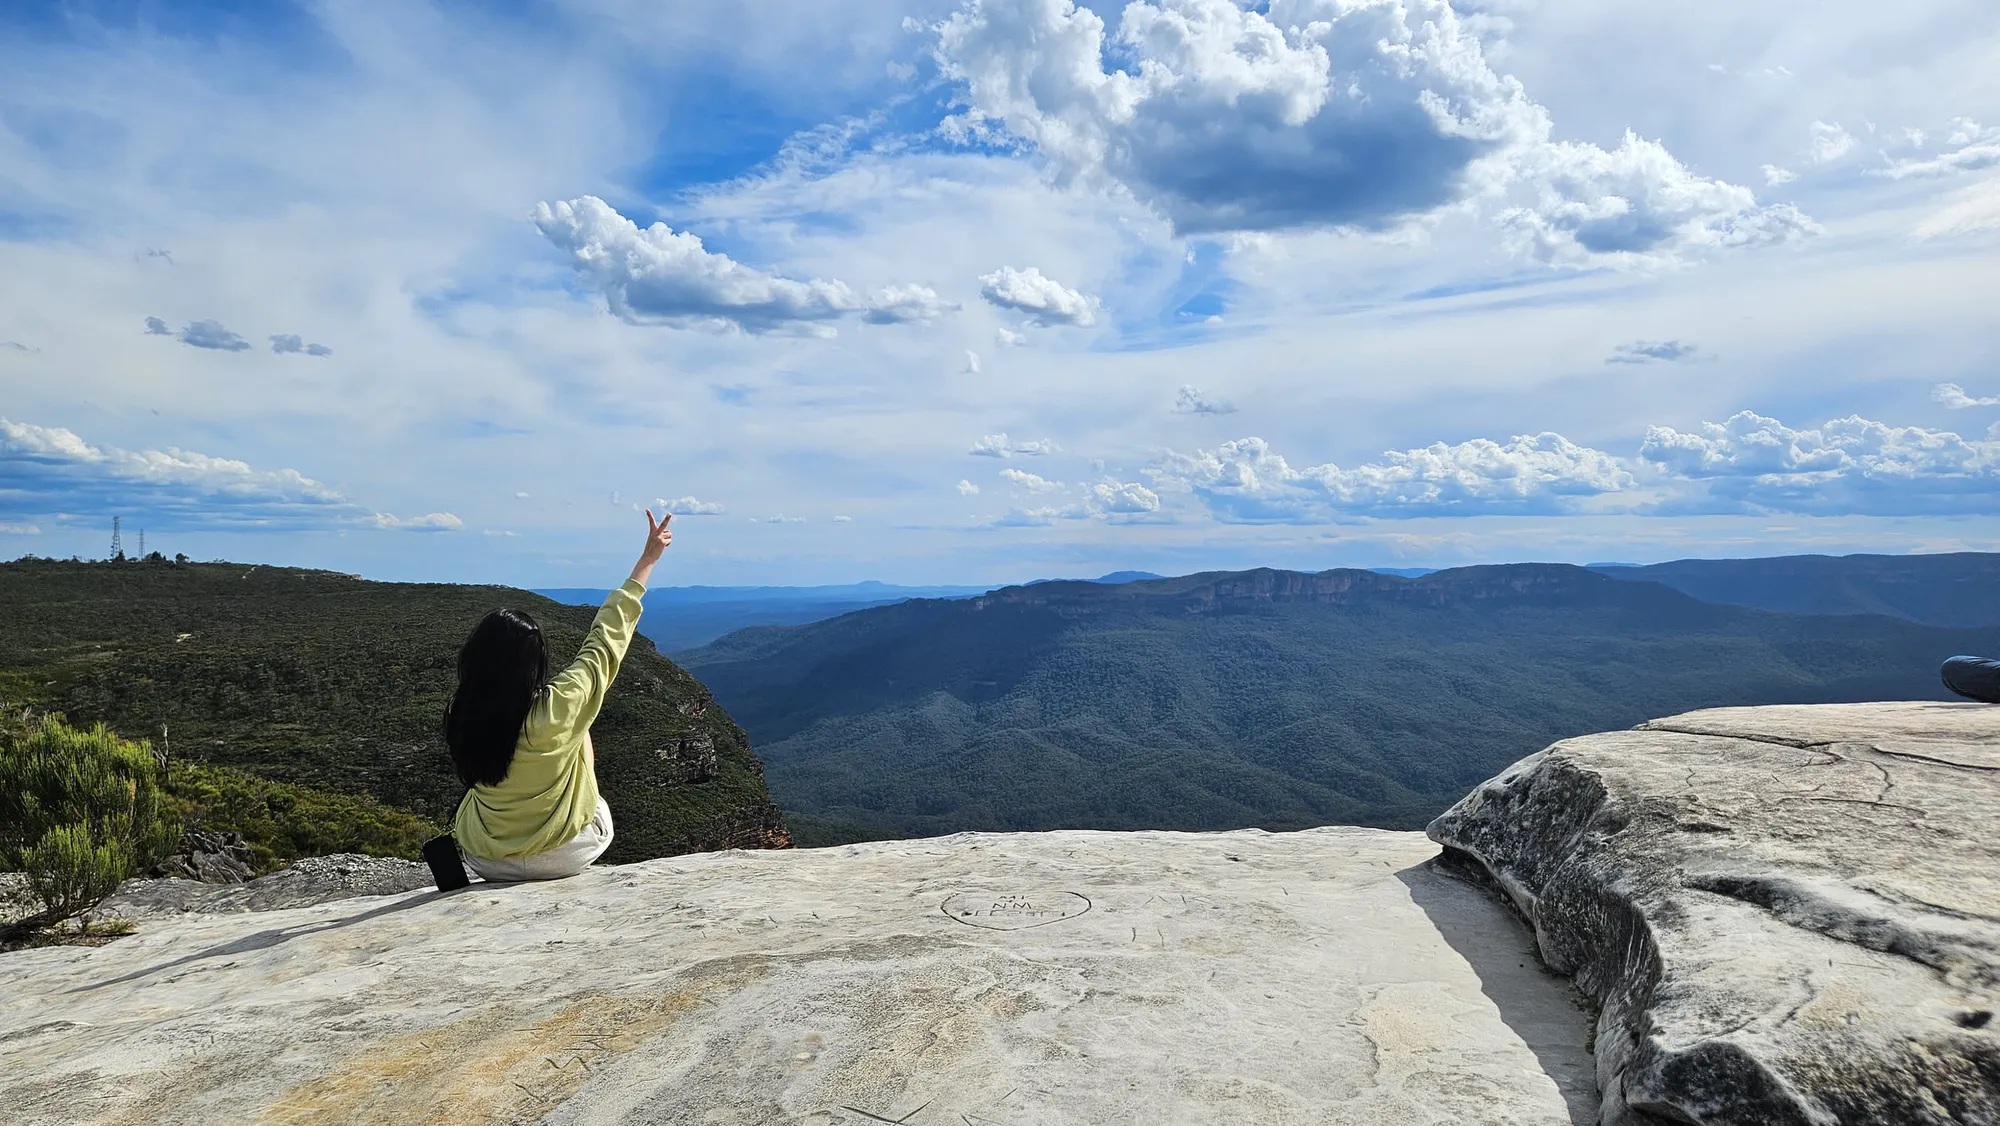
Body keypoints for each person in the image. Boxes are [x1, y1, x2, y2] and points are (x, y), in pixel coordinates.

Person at [443, 509, 672, 881]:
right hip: (566, 853)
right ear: (534, 663)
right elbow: (605, 640)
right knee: (579, 724)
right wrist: (647, 560)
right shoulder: (558, 705)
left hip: (486, 858)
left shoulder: (462, 712)